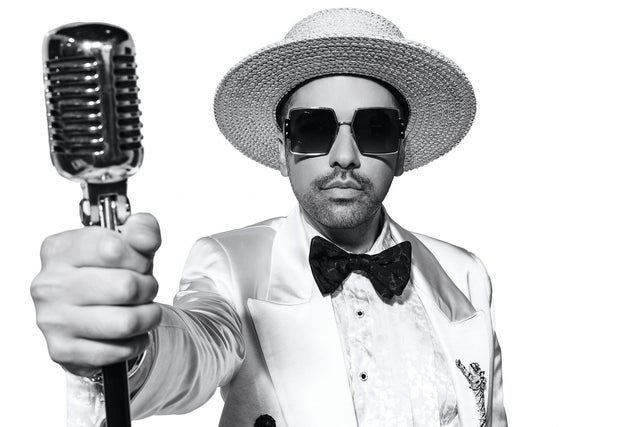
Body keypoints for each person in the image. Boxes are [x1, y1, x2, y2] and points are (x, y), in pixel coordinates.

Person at [31, 8, 507, 427]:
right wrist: (124, 341)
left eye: (375, 128)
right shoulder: (230, 264)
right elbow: (196, 346)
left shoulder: (465, 274)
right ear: (282, 151)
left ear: (401, 152)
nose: (344, 155)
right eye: (313, 128)